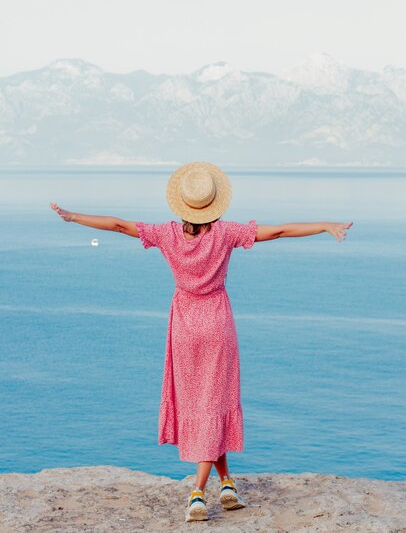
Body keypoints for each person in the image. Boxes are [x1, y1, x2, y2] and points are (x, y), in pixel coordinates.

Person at [50, 161, 353, 523]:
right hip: (218, 325)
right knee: (216, 399)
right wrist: (324, 225)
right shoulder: (225, 234)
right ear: (214, 204)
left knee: (202, 402)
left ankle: (226, 483)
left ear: (181, 204)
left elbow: (117, 224)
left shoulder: (166, 234)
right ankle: (198, 493)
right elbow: (280, 231)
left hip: (184, 326)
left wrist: (72, 217)